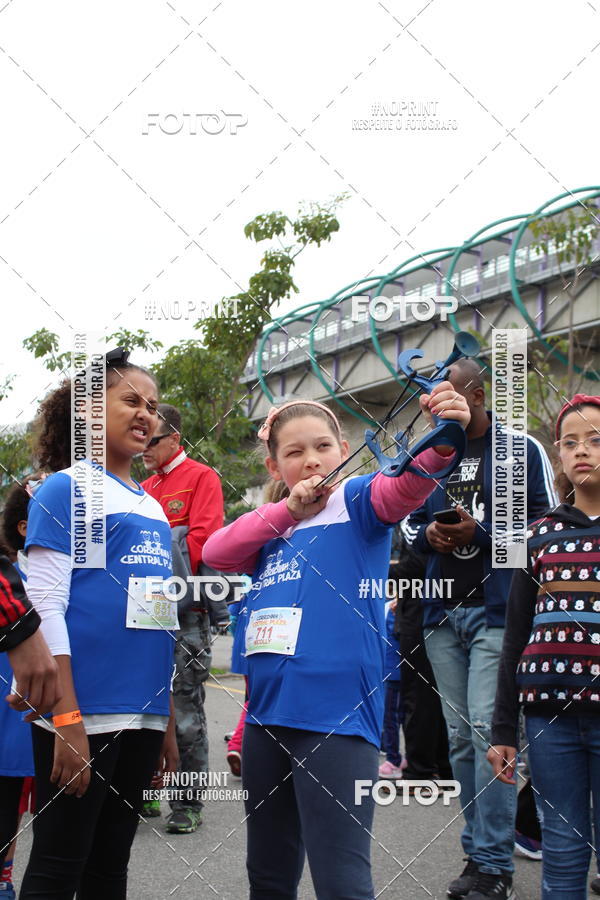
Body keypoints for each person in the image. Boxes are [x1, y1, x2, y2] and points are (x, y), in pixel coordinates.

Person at [203, 387, 471, 899]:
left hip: (336, 720)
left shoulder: (358, 499)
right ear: (274, 464)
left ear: (343, 446)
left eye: (323, 447)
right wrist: (289, 511)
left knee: (341, 881)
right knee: (268, 876)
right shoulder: (270, 527)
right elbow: (217, 550)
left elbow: (410, 483)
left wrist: (444, 438)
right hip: (264, 720)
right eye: (294, 452)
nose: (311, 461)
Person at [19, 350, 179, 899]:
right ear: (88, 411)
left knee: (110, 869)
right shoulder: (66, 488)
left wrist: (166, 722)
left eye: (152, 407)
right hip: (81, 712)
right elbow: (44, 607)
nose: (146, 415)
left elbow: (160, 617)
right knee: (58, 866)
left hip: (144, 715)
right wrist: (66, 718)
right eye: (130, 401)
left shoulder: (154, 507)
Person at [401, 358, 557, 900]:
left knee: (493, 738)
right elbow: (407, 522)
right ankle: (478, 855)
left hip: (500, 611)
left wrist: (484, 531)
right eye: (431, 397)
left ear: (477, 391)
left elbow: (546, 528)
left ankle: (494, 866)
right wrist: (432, 540)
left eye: (450, 393)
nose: (438, 404)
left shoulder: (520, 449)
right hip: (443, 614)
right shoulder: (430, 453)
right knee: (463, 740)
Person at [489, 393, 600, 900]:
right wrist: (502, 728)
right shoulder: (538, 536)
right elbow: (515, 637)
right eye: (571, 442)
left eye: (596, 440)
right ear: (558, 454)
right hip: (547, 719)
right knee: (562, 846)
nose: (583, 451)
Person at [141, 403, 224, 834]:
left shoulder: (202, 477)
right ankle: (146, 786)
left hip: (187, 613)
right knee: (144, 705)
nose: (144, 449)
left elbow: (204, 544)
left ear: (174, 438)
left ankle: (188, 802)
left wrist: (159, 548)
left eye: (152, 440)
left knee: (185, 709)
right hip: (142, 613)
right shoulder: (142, 486)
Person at [0, 480, 39, 900]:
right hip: (7, 708)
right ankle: (4, 877)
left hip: (53, 709)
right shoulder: (10, 572)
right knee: (6, 798)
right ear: (25, 528)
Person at [392, 532, 452, 784]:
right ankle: (438, 767)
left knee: (420, 696)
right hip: (421, 609)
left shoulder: (424, 517)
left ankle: (421, 771)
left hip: (427, 613)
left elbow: (416, 563)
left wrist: (377, 570)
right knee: (428, 696)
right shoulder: (415, 518)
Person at [379, 601, 405, 779]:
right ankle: (396, 758)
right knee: (395, 717)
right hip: (389, 670)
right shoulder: (387, 605)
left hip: (394, 671)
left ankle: (394, 760)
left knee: (391, 718)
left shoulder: (394, 607)